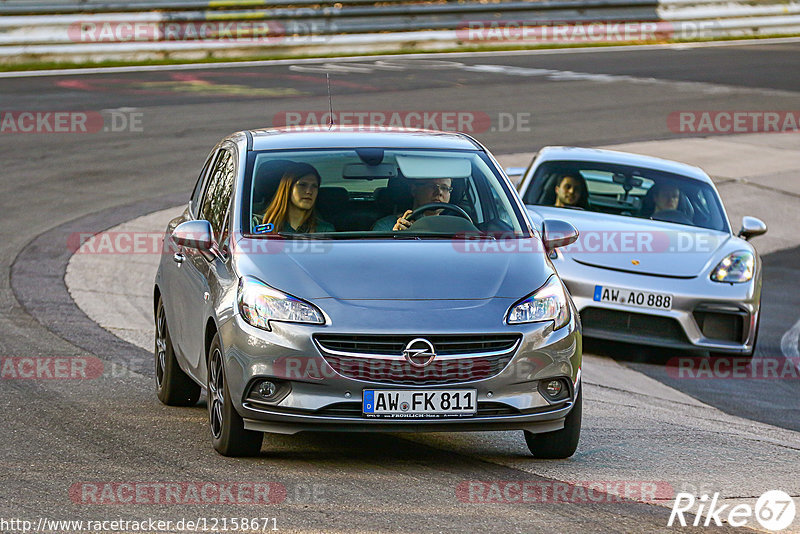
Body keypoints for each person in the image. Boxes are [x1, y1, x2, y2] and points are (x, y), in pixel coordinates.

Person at [260, 162, 335, 233]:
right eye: (302, 185)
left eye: (314, 186)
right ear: (288, 188)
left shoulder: (324, 230)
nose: (309, 191)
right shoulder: (260, 225)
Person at [372, 178, 453, 232]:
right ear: (414, 190)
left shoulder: (455, 226)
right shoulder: (386, 226)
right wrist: (396, 238)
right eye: (431, 186)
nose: (439, 192)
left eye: (445, 188)